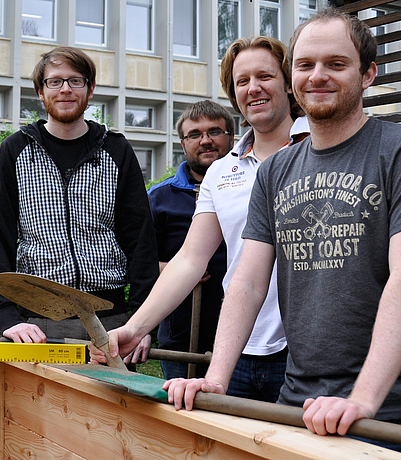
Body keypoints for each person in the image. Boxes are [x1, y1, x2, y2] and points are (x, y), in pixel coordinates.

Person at [163, 9, 401, 458]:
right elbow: (248, 278)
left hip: (391, 410)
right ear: (292, 76)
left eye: (336, 64)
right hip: (297, 402)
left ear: (368, 74)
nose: (318, 76)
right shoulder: (276, 170)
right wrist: (218, 377)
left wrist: (363, 400)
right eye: (305, 65)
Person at [93, 36, 309, 403]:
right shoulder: (222, 171)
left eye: (265, 76)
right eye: (242, 81)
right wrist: (136, 327)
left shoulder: (318, 150)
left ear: (288, 83)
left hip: (305, 352)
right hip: (237, 348)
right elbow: (191, 259)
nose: (253, 88)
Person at [0, 46, 159, 345]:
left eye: (76, 81)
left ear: (90, 90)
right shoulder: (15, 151)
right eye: (55, 81)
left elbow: (141, 240)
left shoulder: (116, 150)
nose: (65, 89)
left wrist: (142, 323)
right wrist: (7, 317)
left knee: (115, 395)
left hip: (111, 322)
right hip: (36, 324)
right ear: (40, 91)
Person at [146, 100, 234, 379]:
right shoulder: (159, 198)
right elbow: (138, 264)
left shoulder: (251, 189)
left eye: (214, 132)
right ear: (183, 143)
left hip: (246, 341)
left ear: (231, 137)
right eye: (194, 134)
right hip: (181, 339)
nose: (205, 141)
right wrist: (179, 271)